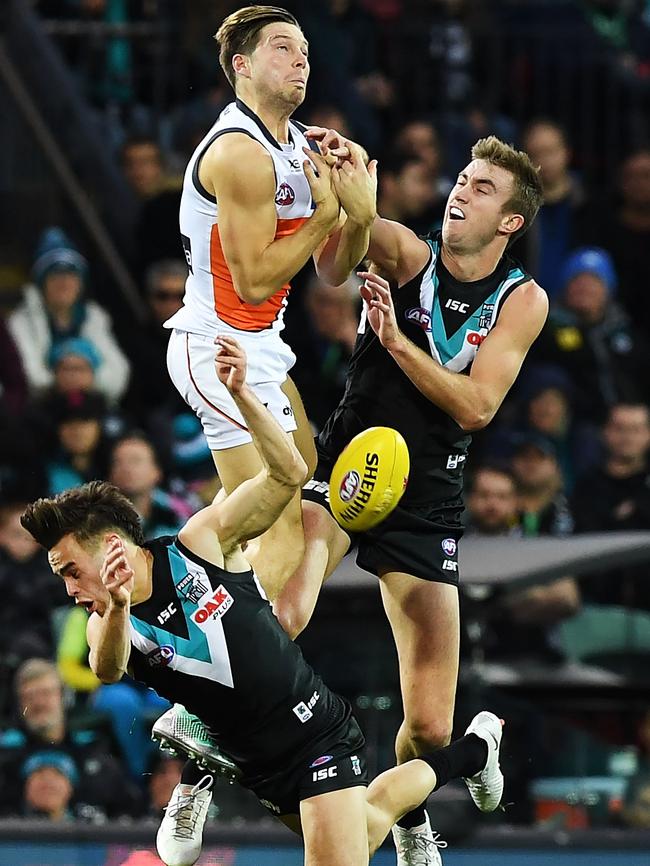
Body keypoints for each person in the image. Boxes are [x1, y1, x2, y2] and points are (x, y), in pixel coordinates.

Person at [21, 337, 503, 866]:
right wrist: (114, 605)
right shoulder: (104, 623)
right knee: (367, 827)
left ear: (112, 546)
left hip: (313, 732)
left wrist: (242, 394)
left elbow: (288, 475)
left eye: (70, 570)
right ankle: (477, 749)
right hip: (253, 762)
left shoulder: (198, 543)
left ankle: (196, 772)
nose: (69, 588)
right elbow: (107, 669)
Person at [269, 132, 548, 864]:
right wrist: (345, 185)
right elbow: (337, 258)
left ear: (510, 222)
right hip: (344, 473)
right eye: (462, 178)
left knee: (428, 729)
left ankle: (441, 783)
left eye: (483, 188)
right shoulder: (405, 254)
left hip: (427, 502)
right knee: (289, 607)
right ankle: (202, 761)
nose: (461, 191)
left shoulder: (523, 302)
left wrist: (398, 345)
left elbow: (477, 408)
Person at [163, 4, 376, 598]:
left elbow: (334, 270)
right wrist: (328, 212)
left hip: (263, 344)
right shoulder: (240, 152)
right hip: (217, 345)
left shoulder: (301, 146)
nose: (301, 58)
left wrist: (357, 214)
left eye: (304, 49)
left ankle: (215, 629)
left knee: (306, 500)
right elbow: (254, 280)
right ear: (242, 66)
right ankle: (236, 677)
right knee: (279, 509)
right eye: (282, 47)